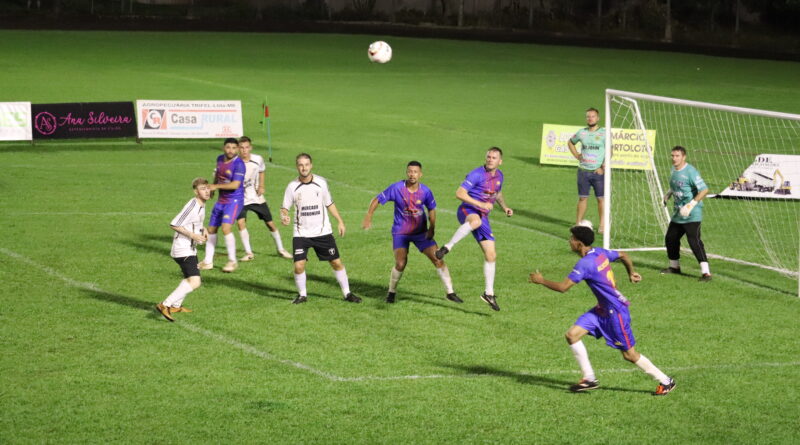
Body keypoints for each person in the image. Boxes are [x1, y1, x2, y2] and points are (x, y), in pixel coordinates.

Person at [528, 224, 677, 396]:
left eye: (572, 239)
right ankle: (589, 378)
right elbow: (623, 255)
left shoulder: (585, 264)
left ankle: (666, 381)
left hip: (616, 312)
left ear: (579, 243)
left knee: (629, 355)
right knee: (572, 335)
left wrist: (541, 280)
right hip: (601, 310)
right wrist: (631, 272)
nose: (569, 241)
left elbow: (563, 287)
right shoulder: (599, 252)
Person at [362, 161, 460, 304]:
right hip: (401, 232)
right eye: (409, 171)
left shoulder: (425, 191)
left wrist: (432, 228)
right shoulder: (396, 188)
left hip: (421, 233)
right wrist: (369, 216)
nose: (412, 174)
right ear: (406, 173)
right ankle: (391, 292)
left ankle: (450, 292)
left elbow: (431, 209)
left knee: (438, 258)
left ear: (420, 174)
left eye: (415, 172)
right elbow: (377, 199)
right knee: (401, 263)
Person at [435, 147, 513, 311]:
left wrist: (505, 207)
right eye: (488, 157)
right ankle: (448, 246)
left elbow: (497, 194)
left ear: (500, 161)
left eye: (494, 157)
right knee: (475, 221)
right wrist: (480, 204)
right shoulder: (476, 174)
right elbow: (459, 193)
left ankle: (488, 293)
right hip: (468, 210)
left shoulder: (499, 176)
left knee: (491, 254)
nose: (490, 159)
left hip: (482, 216)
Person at [280, 153, 361, 304]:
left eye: (306, 164)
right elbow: (284, 208)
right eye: (300, 165)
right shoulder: (292, 187)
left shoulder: (321, 183)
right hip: (301, 233)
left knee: (336, 262)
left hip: (323, 232)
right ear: (297, 166)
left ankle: (347, 293)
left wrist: (340, 221)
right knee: (299, 265)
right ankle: (302, 295)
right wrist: (284, 216)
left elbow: (329, 203)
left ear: (311, 165)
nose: (303, 168)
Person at [156, 178, 210, 322]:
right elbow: (174, 224)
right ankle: (165, 304)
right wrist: (193, 235)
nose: (206, 191)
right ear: (196, 192)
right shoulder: (192, 205)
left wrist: (203, 229)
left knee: (189, 277)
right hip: (182, 249)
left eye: (207, 188)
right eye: (203, 189)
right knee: (195, 281)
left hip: (190, 248)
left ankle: (176, 305)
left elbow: (195, 221)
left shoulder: (201, 204)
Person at [234, 136, 292, 261]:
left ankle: (281, 249)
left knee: (270, 224)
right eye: (241, 148)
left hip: (256, 197)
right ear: (238, 148)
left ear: (251, 148)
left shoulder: (257, 159)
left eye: (247, 147)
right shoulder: (233, 162)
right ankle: (249, 253)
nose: (244, 150)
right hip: (239, 199)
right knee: (240, 223)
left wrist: (261, 185)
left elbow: (262, 170)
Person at [662, 145, 711, 281]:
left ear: (684, 157)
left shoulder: (691, 172)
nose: (674, 158)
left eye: (677, 156)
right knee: (671, 238)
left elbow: (704, 190)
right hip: (678, 213)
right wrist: (668, 194)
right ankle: (674, 267)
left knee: (694, 241)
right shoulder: (673, 169)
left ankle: (706, 273)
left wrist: (690, 205)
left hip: (692, 213)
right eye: (672, 155)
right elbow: (676, 185)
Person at [198, 138, 246, 273]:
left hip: (234, 200)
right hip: (221, 200)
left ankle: (232, 261)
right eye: (228, 147)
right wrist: (212, 189)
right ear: (223, 148)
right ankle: (208, 262)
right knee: (211, 229)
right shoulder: (219, 159)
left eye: (233, 148)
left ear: (237, 149)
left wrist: (215, 186)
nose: (231, 150)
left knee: (226, 228)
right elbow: (218, 175)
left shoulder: (239, 164)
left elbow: (235, 185)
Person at [567, 107, 607, 233]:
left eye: (593, 116)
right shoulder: (581, 133)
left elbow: (610, 151)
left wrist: (602, 167)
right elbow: (570, 142)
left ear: (598, 118)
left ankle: (602, 225)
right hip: (583, 171)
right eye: (588, 116)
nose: (590, 118)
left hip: (598, 172)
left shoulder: (604, 133)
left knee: (601, 199)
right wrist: (577, 155)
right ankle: (578, 223)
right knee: (583, 198)